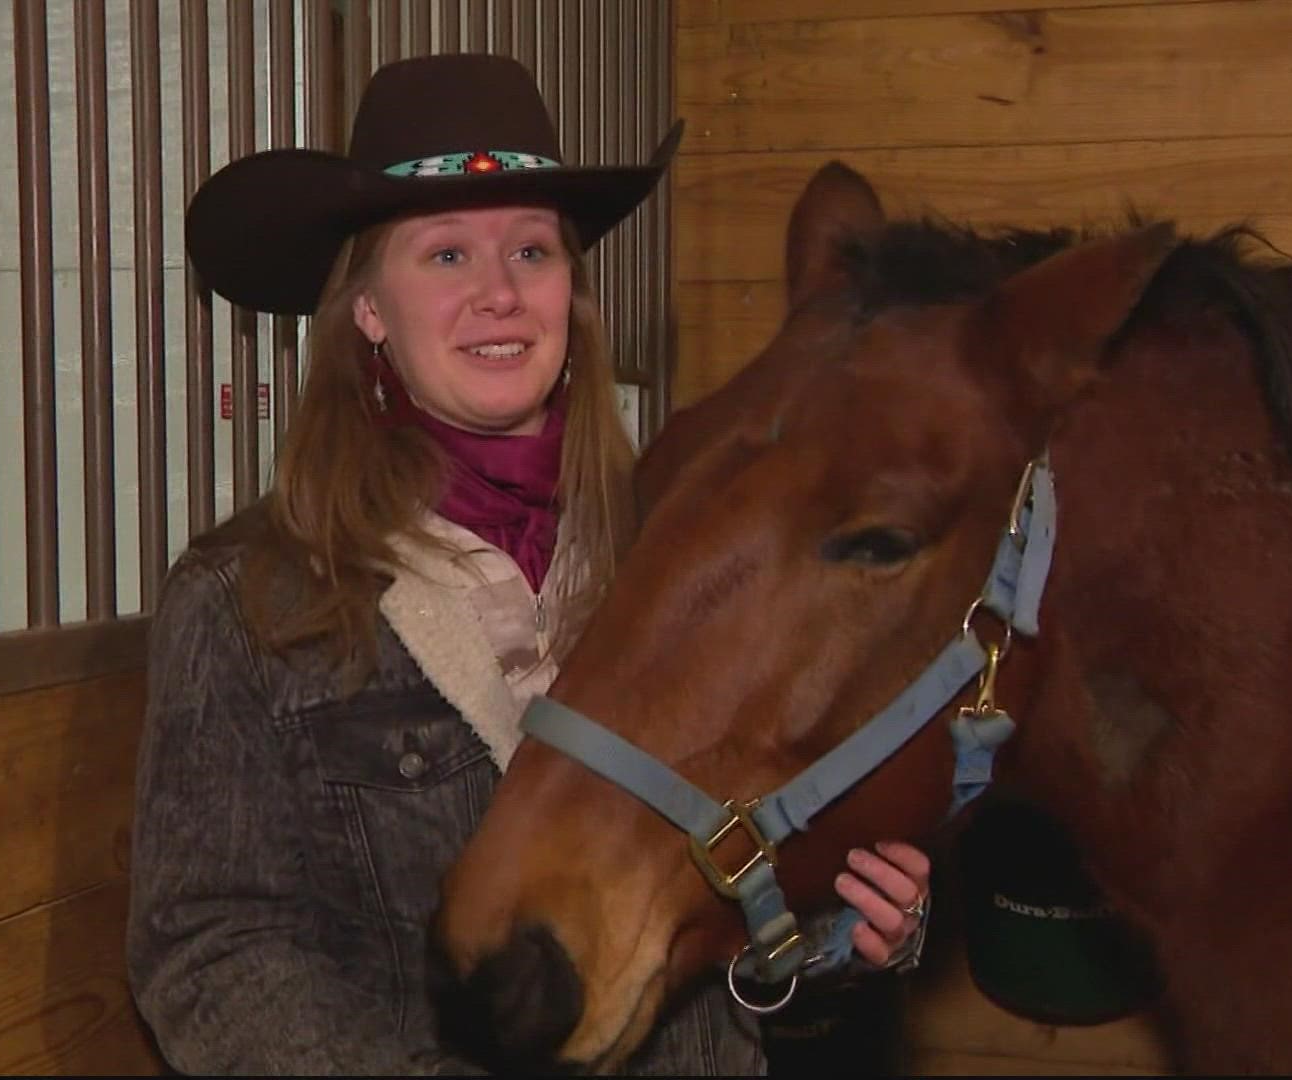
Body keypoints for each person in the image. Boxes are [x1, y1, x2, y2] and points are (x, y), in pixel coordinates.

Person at [126, 53, 932, 1076]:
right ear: (369, 309)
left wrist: (849, 937)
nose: (500, 294)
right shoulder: (246, 602)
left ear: (571, 294)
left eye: (533, 251)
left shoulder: (684, 559)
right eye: (448, 256)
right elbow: (211, 950)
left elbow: (738, 910)